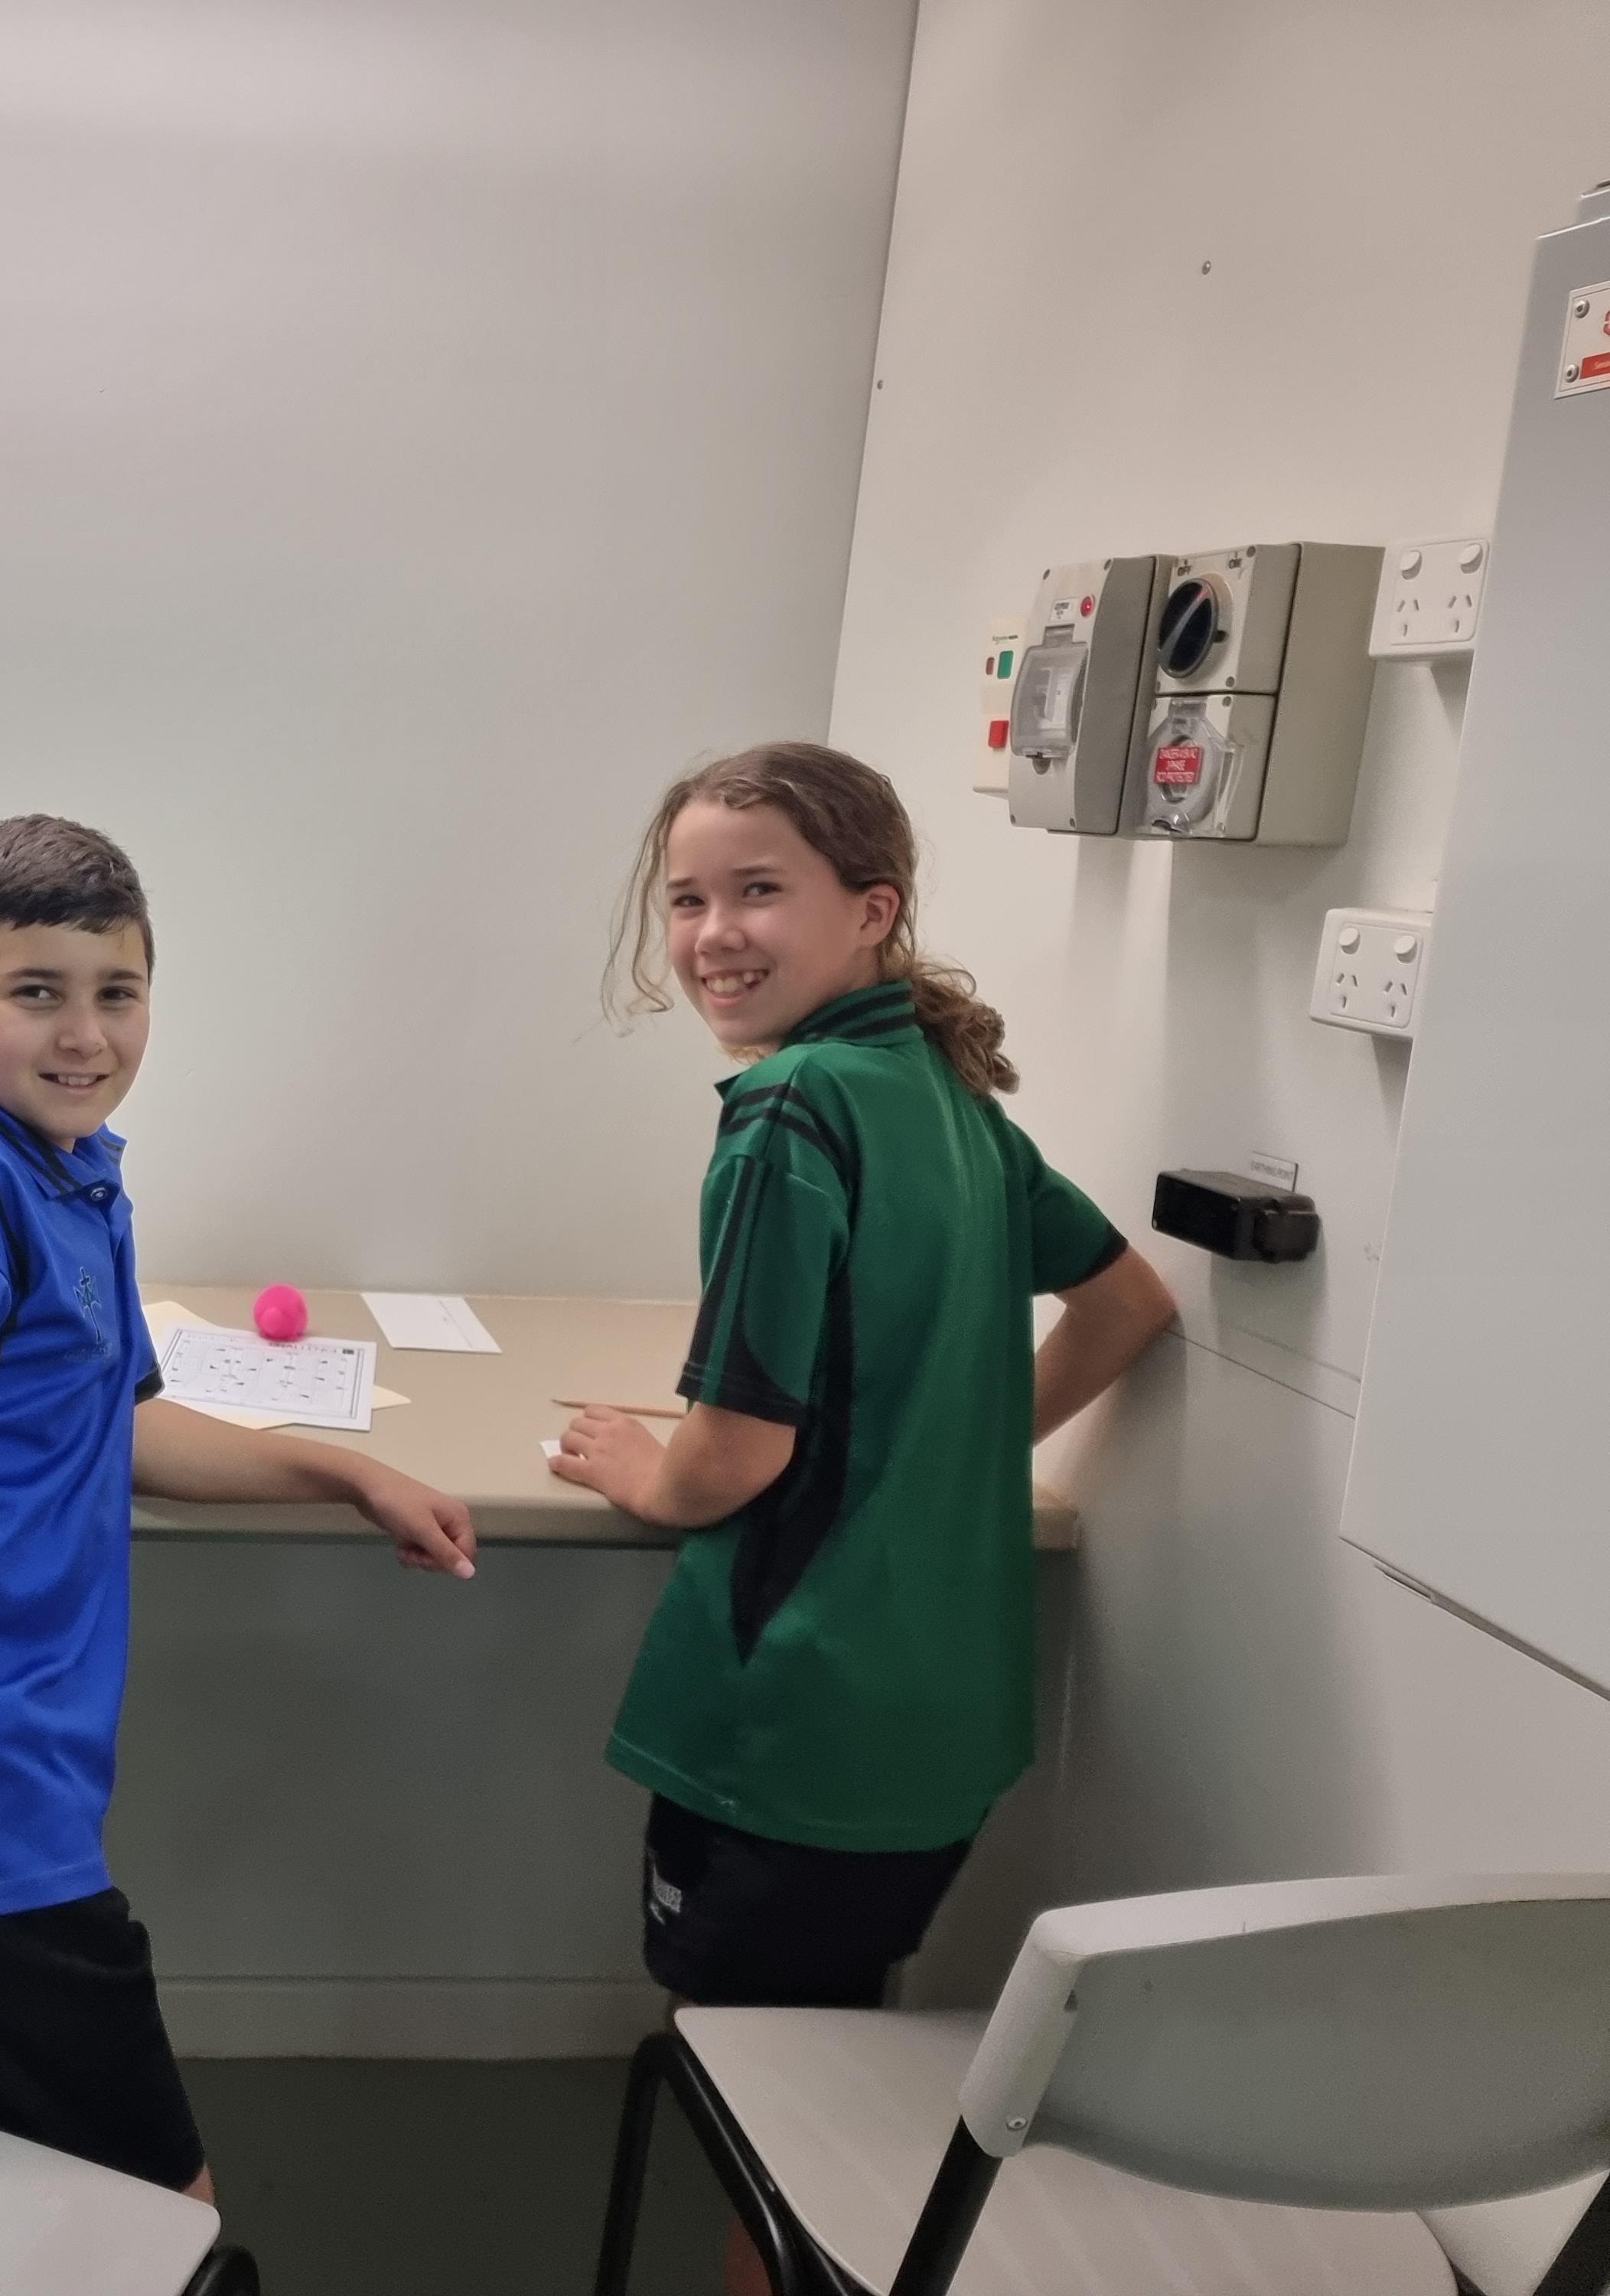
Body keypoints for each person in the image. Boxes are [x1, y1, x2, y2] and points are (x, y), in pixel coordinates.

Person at [0, 814, 477, 2202]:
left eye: (117, 992)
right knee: (164, 2221)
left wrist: (348, 1471)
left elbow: (109, 1421)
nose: (86, 1035)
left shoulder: (62, 1173)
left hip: (9, 1791)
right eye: (36, 992)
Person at [555, 743, 1174, 2293]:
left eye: (758, 891)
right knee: (830, 2068)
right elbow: (1127, 1305)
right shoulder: (943, 1096)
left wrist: (642, 1469)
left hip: (798, 1725)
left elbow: (731, 1457)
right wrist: (940, 1451)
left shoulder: (788, 1110)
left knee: (756, 2103)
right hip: (941, 1722)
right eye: (686, 899)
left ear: (871, 909)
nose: (713, 934)